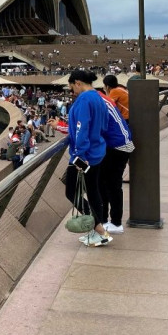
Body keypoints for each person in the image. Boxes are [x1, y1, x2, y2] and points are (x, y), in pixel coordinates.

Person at [66, 70, 112, 247]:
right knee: (93, 191)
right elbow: (104, 124)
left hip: (84, 155)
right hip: (97, 151)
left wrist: (79, 155)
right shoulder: (99, 97)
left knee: (71, 191)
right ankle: (98, 230)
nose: (73, 93)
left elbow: (81, 127)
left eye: (72, 88)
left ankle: (98, 228)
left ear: (77, 82)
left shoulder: (84, 99)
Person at [97, 91, 134, 235]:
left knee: (111, 184)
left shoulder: (99, 102)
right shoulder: (103, 99)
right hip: (117, 146)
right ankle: (106, 220)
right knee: (106, 183)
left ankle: (115, 222)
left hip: (116, 147)